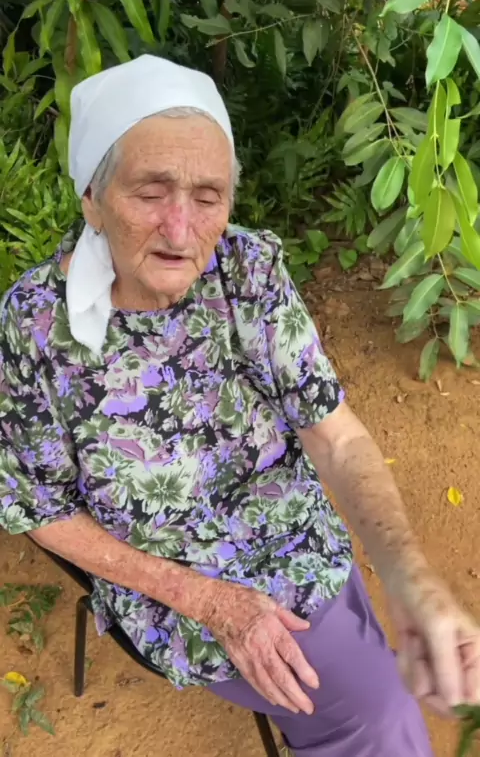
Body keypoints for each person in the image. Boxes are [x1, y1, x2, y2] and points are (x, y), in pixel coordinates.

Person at [0, 55, 478, 757]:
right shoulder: (35, 325)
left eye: (208, 197)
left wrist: (411, 580)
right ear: (92, 199)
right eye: (150, 192)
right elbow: (39, 507)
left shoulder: (247, 269)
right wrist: (210, 602)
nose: (180, 229)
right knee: (374, 717)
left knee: (370, 692)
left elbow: (337, 438)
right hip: (165, 577)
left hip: (293, 532)